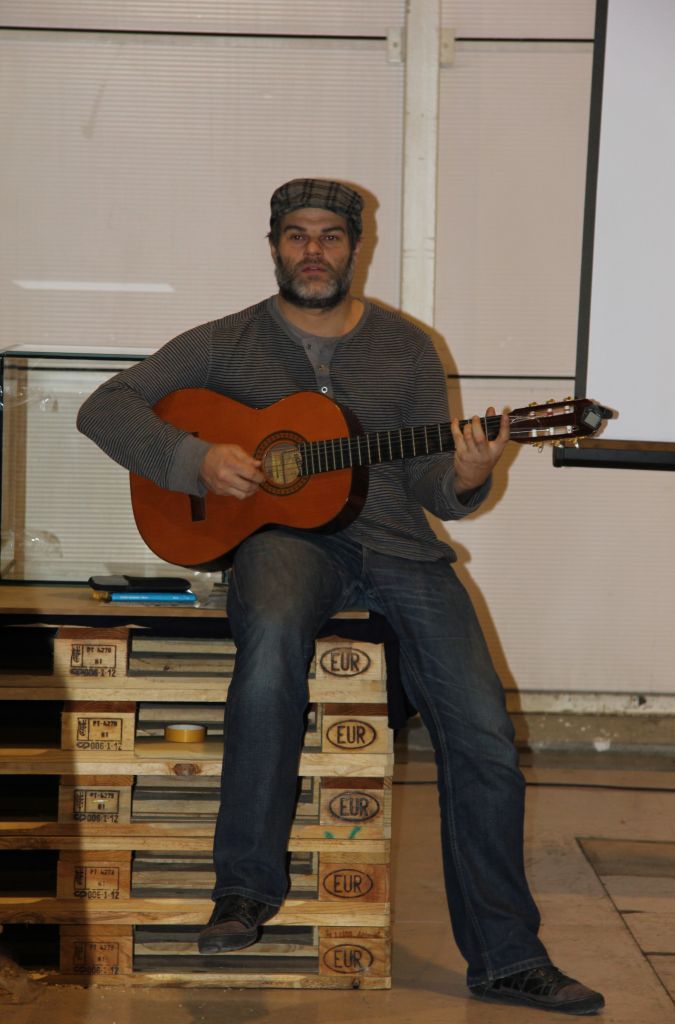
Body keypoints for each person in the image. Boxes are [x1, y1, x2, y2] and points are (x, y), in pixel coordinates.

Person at [77, 178, 605, 1015]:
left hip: (399, 547)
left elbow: (433, 485)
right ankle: (243, 891)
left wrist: (467, 472)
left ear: (357, 246)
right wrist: (195, 460)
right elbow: (104, 407)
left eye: (330, 235)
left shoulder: (405, 347)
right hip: (286, 543)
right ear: (274, 246)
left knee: (482, 733)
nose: (313, 250)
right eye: (297, 234)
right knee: (270, 646)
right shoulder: (224, 342)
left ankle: (506, 957)